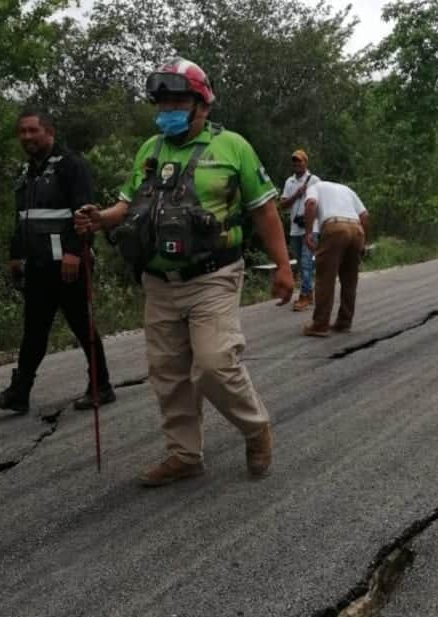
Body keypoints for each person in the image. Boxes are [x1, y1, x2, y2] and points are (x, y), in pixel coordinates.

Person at [74, 58, 293, 486]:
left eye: (177, 101)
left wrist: (283, 267)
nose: (167, 110)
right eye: (162, 103)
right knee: (168, 373)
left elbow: (264, 210)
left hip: (213, 275)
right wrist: (99, 219)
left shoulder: (233, 147)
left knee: (214, 364)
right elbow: (127, 205)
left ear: (202, 104)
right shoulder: (150, 150)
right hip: (159, 282)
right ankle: (184, 455)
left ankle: (255, 428)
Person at [0, 109, 116, 413]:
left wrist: (75, 253)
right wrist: (15, 255)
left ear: (49, 132)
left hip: (68, 265)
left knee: (82, 326)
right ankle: (19, 393)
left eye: (33, 130)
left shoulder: (71, 165)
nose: (27, 137)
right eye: (22, 132)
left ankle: (101, 386)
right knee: (34, 330)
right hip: (37, 265)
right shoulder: (26, 171)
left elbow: (86, 214)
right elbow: (21, 218)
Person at [301, 181, 369, 337]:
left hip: (335, 227)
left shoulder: (313, 187)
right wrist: (364, 242)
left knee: (325, 278)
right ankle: (344, 322)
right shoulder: (346, 189)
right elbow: (365, 215)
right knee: (350, 280)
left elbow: (311, 204)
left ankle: (320, 325)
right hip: (357, 228)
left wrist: (308, 233)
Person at [279, 150, 320, 311]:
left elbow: (320, 201)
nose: (297, 164)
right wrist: (296, 194)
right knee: (301, 263)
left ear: (306, 163)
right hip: (295, 228)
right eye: (294, 161)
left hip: (311, 228)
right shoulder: (289, 182)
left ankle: (304, 296)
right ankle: (309, 293)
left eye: (300, 161)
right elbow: (282, 205)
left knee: (306, 262)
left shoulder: (314, 180)